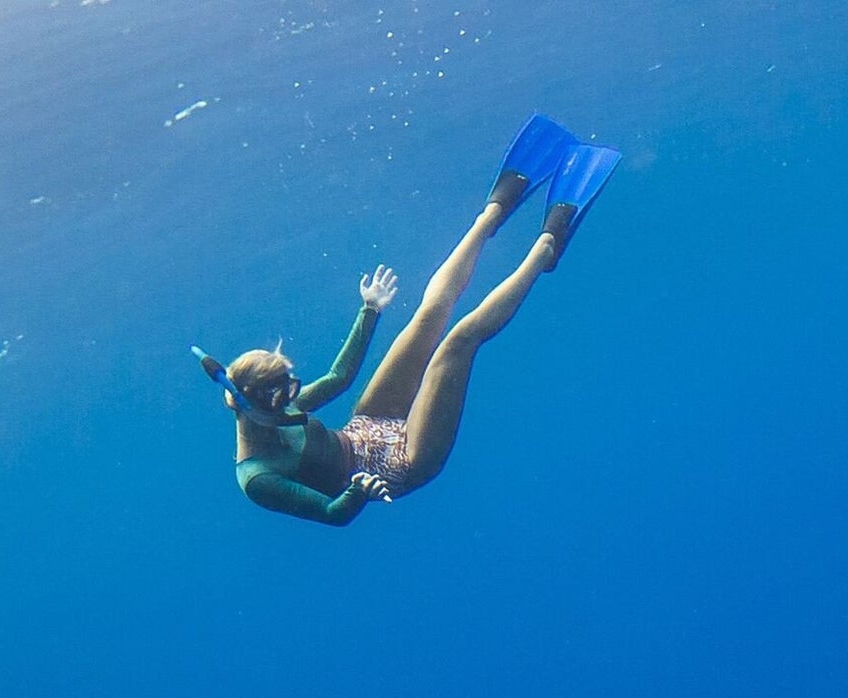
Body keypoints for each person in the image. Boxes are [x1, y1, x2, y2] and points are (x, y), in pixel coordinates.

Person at [194, 115, 620, 526]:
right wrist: (356, 490)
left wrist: (370, 310)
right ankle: (548, 243)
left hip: (367, 426)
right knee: (458, 343)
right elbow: (332, 514)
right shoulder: (258, 479)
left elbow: (340, 378)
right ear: (250, 403)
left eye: (290, 387)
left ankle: (493, 211)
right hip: (405, 463)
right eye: (283, 393)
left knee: (428, 315)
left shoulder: (278, 409)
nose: (293, 396)